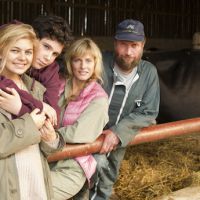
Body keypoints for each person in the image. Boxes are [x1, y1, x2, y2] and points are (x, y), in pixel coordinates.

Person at [89, 19, 160, 200]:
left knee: (106, 180)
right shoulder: (97, 63)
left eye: (134, 45)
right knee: (79, 179)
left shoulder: (149, 72)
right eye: (123, 44)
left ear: (143, 45)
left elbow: (149, 111)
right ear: (115, 43)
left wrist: (118, 131)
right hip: (86, 136)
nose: (128, 52)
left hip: (118, 139)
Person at [0, 23, 64, 200]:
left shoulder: (36, 89)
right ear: (1, 50)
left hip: (36, 181)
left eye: (28, 52)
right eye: (15, 50)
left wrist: (51, 139)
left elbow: (46, 145)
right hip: (8, 185)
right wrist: (29, 123)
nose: (22, 58)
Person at [46, 37, 109, 199]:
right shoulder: (58, 85)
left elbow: (78, 133)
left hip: (73, 165)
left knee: (33, 192)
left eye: (88, 61)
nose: (83, 66)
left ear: (95, 63)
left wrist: (43, 133)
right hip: (46, 157)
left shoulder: (98, 98)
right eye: (77, 60)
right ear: (70, 62)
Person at [0, 15, 73, 127]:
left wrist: (20, 108)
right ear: (33, 37)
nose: (48, 58)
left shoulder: (50, 70)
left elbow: (52, 117)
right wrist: (40, 105)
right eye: (46, 47)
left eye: (55, 54)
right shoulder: (17, 34)